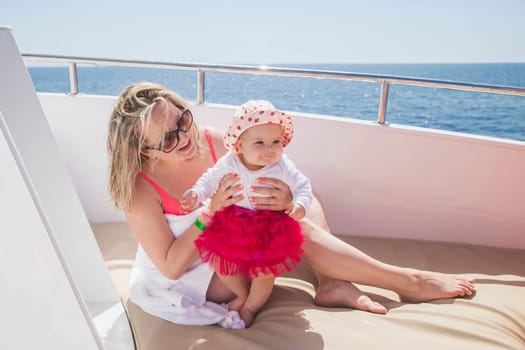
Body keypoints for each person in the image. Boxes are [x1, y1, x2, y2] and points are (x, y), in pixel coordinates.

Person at [106, 82, 475, 328]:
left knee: (306, 202)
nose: (185, 138)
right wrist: (209, 212)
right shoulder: (140, 189)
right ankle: (407, 282)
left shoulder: (214, 142)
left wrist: (284, 199)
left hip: (234, 235)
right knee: (293, 227)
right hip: (197, 274)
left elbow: (269, 180)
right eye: (168, 139)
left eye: (182, 120)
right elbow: (171, 266)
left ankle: (333, 280)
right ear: (144, 151)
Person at [180, 100, 313, 327]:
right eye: (259, 142)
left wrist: (300, 205)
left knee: (264, 273)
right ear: (240, 146)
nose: (269, 149)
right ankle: (240, 294)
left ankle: (251, 306)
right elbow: (210, 179)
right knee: (220, 261)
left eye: (276, 142)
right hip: (233, 223)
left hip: (269, 227)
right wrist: (197, 193)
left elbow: (303, 185)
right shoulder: (229, 162)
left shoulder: (283, 165)